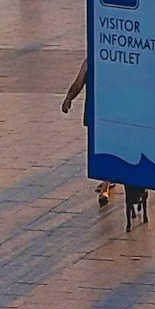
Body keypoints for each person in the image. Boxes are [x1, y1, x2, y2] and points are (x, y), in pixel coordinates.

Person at [61, 59, 120, 207]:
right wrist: (69, 98)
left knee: (107, 148)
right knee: (105, 149)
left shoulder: (92, 62)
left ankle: (105, 187)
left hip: (106, 114)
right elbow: (79, 83)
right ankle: (108, 180)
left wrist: (69, 98)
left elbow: (78, 83)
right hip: (101, 113)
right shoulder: (94, 62)